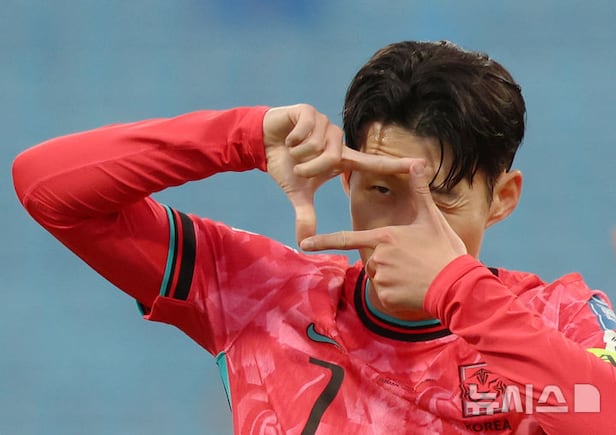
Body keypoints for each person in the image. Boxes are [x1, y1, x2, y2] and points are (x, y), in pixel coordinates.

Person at [12, 40, 616, 434]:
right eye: (382, 189)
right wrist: (241, 137)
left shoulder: (562, 317)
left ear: (502, 198)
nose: (407, 227)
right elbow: (45, 187)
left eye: (442, 199)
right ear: (346, 178)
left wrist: (459, 290)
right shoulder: (260, 295)